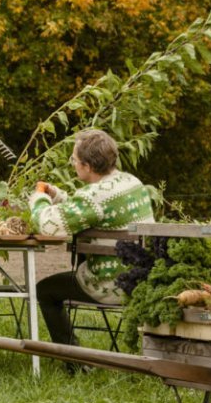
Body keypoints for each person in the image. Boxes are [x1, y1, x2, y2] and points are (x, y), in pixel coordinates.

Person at [30, 129, 155, 357]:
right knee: (52, 286)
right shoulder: (132, 182)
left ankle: (74, 360)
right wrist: (57, 195)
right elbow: (89, 210)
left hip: (112, 284)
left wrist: (39, 198)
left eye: (75, 160)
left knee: (45, 290)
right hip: (142, 279)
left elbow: (49, 225)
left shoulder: (95, 196)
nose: (73, 164)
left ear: (87, 166)